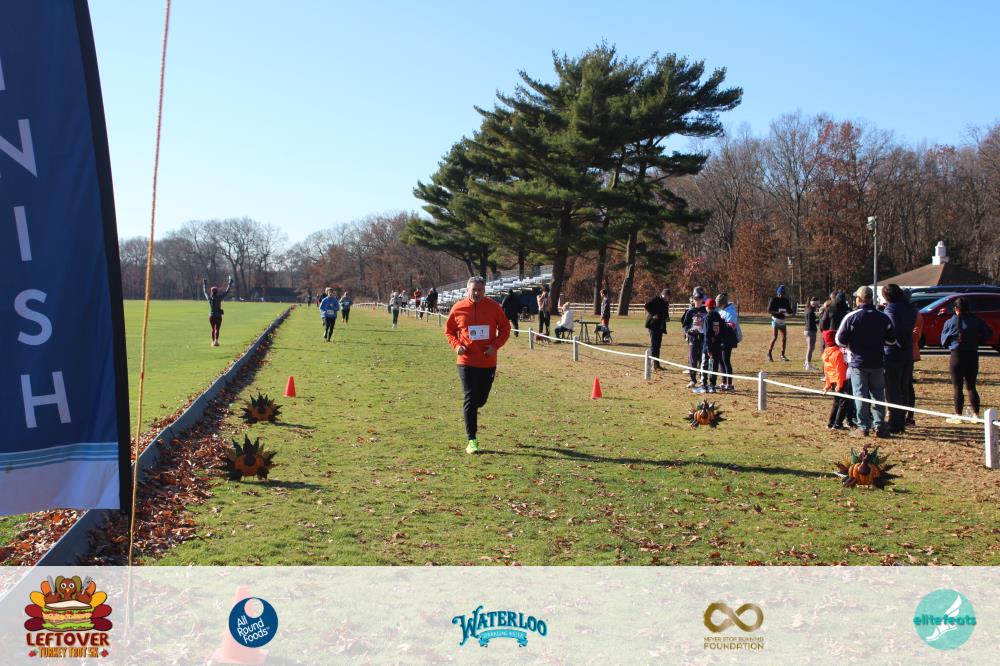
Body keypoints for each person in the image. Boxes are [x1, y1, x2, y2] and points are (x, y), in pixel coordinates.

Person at [444, 276, 512, 454]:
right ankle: (472, 440)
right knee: (470, 398)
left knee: (480, 400)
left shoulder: (493, 307)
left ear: (484, 291)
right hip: (466, 361)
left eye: (480, 290)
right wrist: (456, 346)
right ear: (467, 290)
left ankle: (476, 405)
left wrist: (495, 346)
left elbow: (505, 328)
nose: (476, 293)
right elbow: (449, 331)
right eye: (473, 290)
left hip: (488, 361)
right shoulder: (458, 308)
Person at [835, 286, 897, 438]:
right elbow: (892, 340)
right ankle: (879, 425)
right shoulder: (883, 317)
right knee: (878, 394)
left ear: (859, 299)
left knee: (860, 394)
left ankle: (863, 427)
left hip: (858, 363)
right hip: (877, 361)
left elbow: (840, 340)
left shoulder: (852, 317)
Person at [941, 297, 993, 423]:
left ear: (956, 309)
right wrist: (977, 340)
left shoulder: (950, 322)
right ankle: (976, 415)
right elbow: (988, 334)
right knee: (971, 387)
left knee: (957, 387)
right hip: (972, 355)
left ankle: (958, 415)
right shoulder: (976, 321)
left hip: (956, 356)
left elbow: (943, 341)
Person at [881, 284, 917, 433]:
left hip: (893, 352)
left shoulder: (891, 309)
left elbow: (893, 331)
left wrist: (890, 341)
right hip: (907, 352)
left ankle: (895, 422)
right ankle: (901, 419)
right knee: (903, 387)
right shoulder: (910, 307)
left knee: (892, 389)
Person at [821, 329, 853, 429]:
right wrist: (839, 385)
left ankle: (831, 423)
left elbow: (826, 370)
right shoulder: (837, 354)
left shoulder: (825, 353)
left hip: (833, 380)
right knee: (843, 402)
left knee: (836, 402)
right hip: (841, 381)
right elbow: (840, 371)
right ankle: (838, 424)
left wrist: (828, 384)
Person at [698, 298, 725, 394]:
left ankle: (703, 384)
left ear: (707, 307)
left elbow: (707, 334)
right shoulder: (719, 316)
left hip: (708, 347)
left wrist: (708, 349)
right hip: (717, 346)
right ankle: (712, 385)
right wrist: (717, 339)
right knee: (714, 365)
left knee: (705, 365)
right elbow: (722, 331)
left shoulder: (707, 318)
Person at [716, 293, 742, 392]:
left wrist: (720, 324)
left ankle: (729, 384)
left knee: (726, 360)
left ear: (723, 303)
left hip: (728, 339)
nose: (718, 306)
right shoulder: (721, 311)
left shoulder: (731, 312)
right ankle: (723, 382)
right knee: (721, 361)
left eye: (719, 304)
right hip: (721, 339)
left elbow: (731, 326)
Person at [681, 293, 707, 387]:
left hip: (703, 338)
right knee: (692, 359)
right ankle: (692, 380)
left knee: (703, 359)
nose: (698, 301)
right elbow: (685, 325)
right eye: (696, 299)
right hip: (692, 337)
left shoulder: (706, 310)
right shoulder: (690, 311)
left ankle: (703, 380)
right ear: (693, 300)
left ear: (702, 300)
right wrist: (689, 330)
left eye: (699, 299)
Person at [203, 276, 234, 346]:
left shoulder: (209, 298)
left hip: (211, 315)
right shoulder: (219, 297)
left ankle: (213, 342)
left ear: (211, 292)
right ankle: (216, 341)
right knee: (217, 329)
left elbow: (205, 292)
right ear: (217, 292)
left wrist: (204, 284)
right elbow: (227, 292)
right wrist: (229, 283)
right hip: (218, 315)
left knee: (213, 329)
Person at [644, 288, 671, 369]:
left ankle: (657, 364)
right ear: (662, 294)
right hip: (653, 325)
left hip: (660, 326)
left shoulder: (666, 303)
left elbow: (665, 312)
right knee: (654, 345)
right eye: (665, 295)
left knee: (658, 346)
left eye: (668, 296)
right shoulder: (656, 299)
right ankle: (652, 364)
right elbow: (646, 305)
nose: (667, 297)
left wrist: (667, 317)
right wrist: (653, 314)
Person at [767, 285, 793, 362]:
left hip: (783, 321)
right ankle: (769, 354)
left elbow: (790, 310)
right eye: (780, 293)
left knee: (784, 338)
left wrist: (787, 312)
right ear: (778, 293)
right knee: (775, 337)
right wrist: (778, 312)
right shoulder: (773, 299)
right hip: (775, 320)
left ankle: (782, 355)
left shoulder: (786, 300)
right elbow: (769, 310)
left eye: (783, 294)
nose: (782, 295)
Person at [804, 297, 820, 370]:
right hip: (811, 331)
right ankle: (808, 364)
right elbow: (811, 322)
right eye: (817, 305)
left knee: (810, 348)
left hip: (807, 330)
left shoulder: (807, 309)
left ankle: (806, 363)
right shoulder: (810, 311)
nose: (817, 307)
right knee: (810, 348)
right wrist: (819, 320)